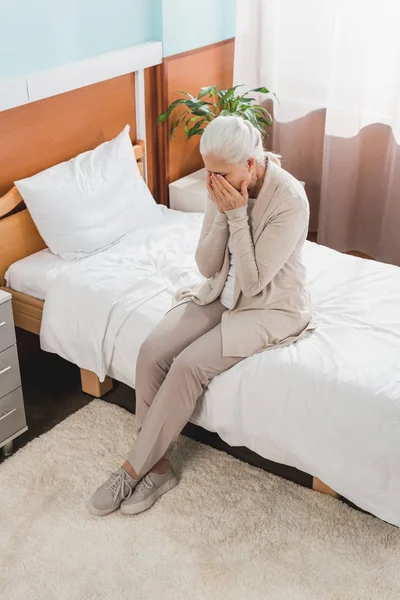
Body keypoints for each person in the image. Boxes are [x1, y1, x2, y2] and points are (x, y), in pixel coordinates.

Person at [88, 114, 314, 517]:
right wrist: (226, 216)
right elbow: (207, 265)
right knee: (152, 350)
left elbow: (255, 281)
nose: (212, 181)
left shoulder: (290, 200)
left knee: (188, 366)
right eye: (209, 170)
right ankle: (157, 468)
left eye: (220, 172)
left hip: (267, 306)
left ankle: (129, 469)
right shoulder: (220, 183)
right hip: (220, 292)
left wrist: (237, 215)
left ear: (250, 163)